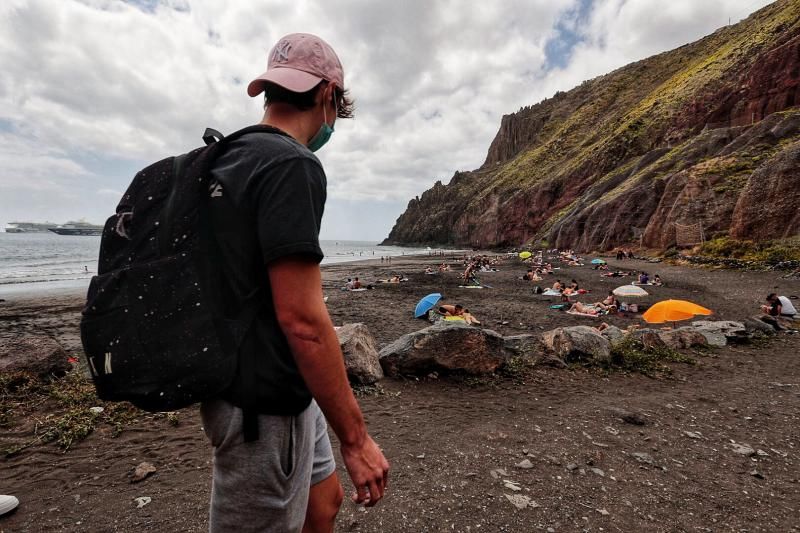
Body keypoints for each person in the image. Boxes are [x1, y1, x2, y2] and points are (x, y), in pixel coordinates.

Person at [202, 33, 388, 532]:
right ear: (329, 95)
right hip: (262, 401)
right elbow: (302, 320)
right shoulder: (292, 165)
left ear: (269, 91)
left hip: (275, 383)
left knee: (322, 501)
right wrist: (357, 439)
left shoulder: (228, 157)